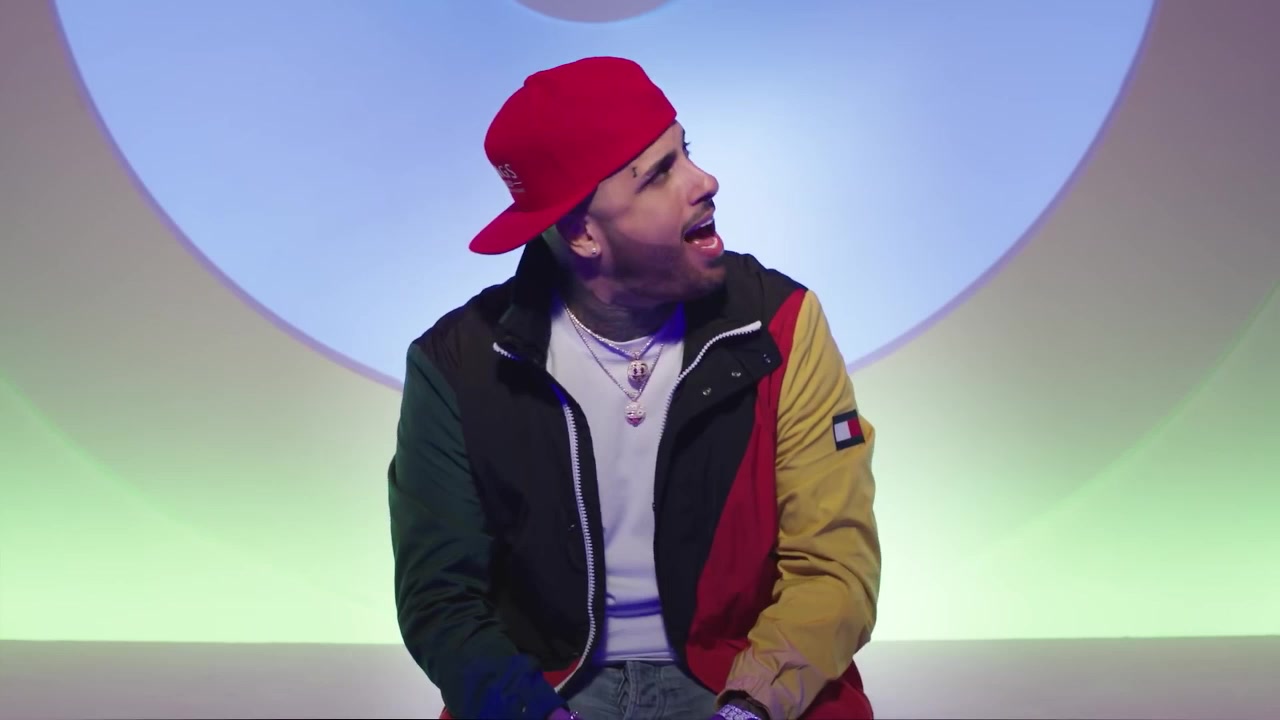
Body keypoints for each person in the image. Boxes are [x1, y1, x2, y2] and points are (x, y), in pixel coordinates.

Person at [388, 56, 881, 720]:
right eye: (659, 174)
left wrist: (751, 706)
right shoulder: (456, 363)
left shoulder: (782, 324)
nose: (705, 182)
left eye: (687, 152)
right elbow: (441, 599)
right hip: (541, 688)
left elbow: (833, 565)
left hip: (747, 671)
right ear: (582, 233)